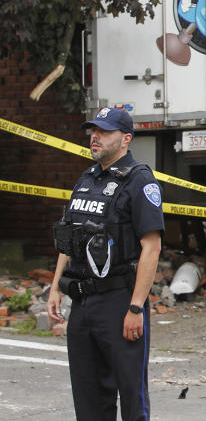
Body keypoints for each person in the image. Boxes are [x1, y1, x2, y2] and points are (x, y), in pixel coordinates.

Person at [46, 107, 164, 421]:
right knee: (88, 397)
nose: (94, 137)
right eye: (93, 131)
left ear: (125, 139)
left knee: (131, 394)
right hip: (83, 302)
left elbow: (151, 247)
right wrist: (55, 288)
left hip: (119, 300)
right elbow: (68, 240)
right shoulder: (86, 179)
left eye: (104, 132)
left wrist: (136, 307)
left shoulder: (139, 180)